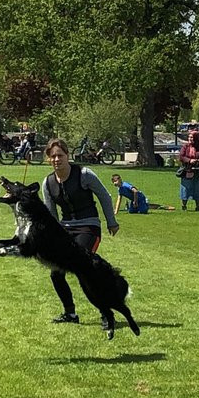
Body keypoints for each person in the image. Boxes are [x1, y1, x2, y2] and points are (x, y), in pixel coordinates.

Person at [42, 138, 120, 330]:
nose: (56, 160)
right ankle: (70, 313)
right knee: (56, 273)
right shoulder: (48, 182)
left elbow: (104, 196)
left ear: (68, 156)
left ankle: (106, 314)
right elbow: (50, 214)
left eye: (60, 155)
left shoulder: (84, 174)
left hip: (89, 227)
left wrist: (111, 221)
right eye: (52, 157)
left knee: (83, 270)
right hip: (65, 229)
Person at [110, 174, 174, 213]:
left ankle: (160, 206)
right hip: (134, 200)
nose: (114, 183)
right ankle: (130, 206)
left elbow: (135, 191)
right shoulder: (120, 189)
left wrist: (135, 201)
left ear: (120, 180)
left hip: (140, 198)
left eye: (115, 181)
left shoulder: (125, 185)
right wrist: (116, 211)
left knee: (143, 211)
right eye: (113, 182)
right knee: (132, 212)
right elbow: (119, 200)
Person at [178, 130, 199, 211]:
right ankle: (184, 205)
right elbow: (181, 157)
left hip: (198, 171)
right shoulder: (185, 147)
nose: (190, 138)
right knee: (185, 189)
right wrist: (189, 160)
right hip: (187, 170)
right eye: (189, 137)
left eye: (191, 137)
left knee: (198, 189)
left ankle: (198, 206)